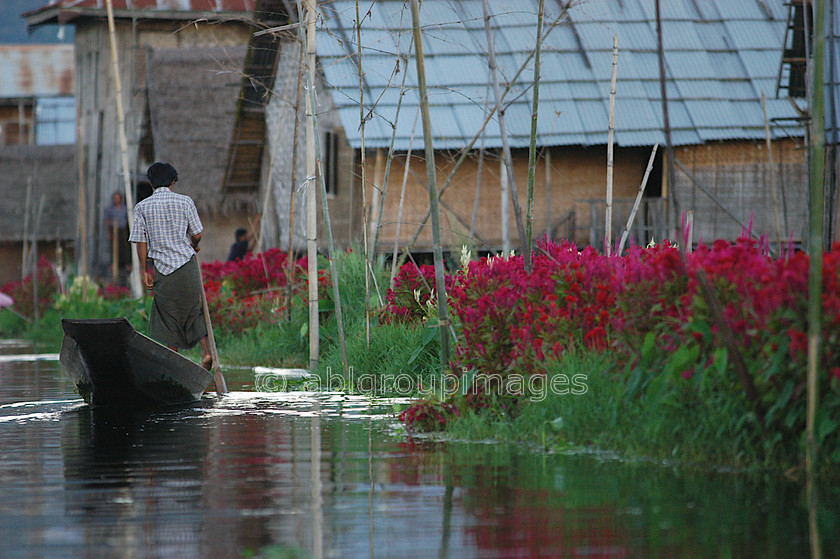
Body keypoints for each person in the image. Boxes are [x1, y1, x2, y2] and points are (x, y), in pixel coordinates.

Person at [129, 162, 213, 371]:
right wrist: (194, 245)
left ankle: (173, 365)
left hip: (163, 271)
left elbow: (141, 242)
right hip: (187, 267)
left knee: (166, 316)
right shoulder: (185, 202)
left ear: (150, 183)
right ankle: (206, 352)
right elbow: (197, 234)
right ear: (173, 181)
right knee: (194, 311)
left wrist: (144, 271)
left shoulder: (142, 207)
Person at [104, 191, 131, 276]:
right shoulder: (110, 209)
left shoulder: (125, 208)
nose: (116, 200)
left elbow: (128, 219)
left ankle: (127, 263)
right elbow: (107, 220)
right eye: (115, 198)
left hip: (122, 229)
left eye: (117, 198)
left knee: (125, 246)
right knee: (114, 246)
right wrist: (108, 232)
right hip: (114, 229)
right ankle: (114, 263)